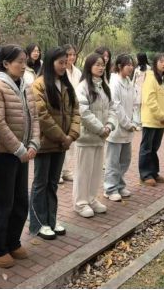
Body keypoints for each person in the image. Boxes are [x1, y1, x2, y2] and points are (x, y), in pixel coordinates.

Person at [0, 45, 40, 268]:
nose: (23, 64)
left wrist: (35, 142)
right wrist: (18, 149)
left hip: (23, 153)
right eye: (19, 60)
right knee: (2, 202)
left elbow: (34, 117)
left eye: (24, 60)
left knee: (19, 201)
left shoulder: (26, 86)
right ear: (6, 63)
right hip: (4, 154)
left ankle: (12, 242)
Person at [30, 47, 80, 239]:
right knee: (40, 184)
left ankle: (51, 219)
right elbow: (43, 116)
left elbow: (76, 111)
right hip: (45, 144)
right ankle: (38, 223)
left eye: (65, 62)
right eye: (60, 62)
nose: (64, 66)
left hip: (62, 144)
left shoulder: (67, 86)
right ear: (50, 63)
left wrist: (72, 135)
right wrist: (63, 137)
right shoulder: (39, 85)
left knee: (53, 184)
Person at [73, 53, 116, 217]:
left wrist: (109, 125)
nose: (100, 67)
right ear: (89, 66)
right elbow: (83, 112)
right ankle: (80, 203)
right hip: (87, 137)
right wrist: (100, 129)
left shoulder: (104, 85)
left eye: (102, 65)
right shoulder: (82, 86)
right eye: (97, 64)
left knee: (96, 171)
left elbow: (112, 108)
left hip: (101, 136)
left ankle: (91, 199)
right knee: (83, 172)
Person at [104, 54, 137, 202]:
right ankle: (110, 189)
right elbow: (116, 106)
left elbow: (134, 104)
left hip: (128, 128)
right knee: (113, 161)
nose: (131, 67)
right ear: (119, 66)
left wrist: (134, 121)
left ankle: (119, 184)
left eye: (132, 64)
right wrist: (127, 123)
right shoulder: (114, 82)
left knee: (125, 159)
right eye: (128, 64)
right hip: (117, 128)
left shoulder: (129, 81)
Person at [139, 53, 164, 186]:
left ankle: (153, 172)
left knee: (154, 148)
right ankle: (145, 174)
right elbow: (150, 100)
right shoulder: (150, 78)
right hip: (151, 120)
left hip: (162, 121)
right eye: (161, 61)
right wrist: (161, 116)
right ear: (155, 63)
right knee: (146, 148)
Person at [59, 43, 82, 183]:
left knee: (72, 141)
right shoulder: (61, 72)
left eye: (73, 54)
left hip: (74, 108)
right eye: (68, 55)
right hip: (62, 110)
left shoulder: (78, 72)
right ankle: (59, 172)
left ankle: (66, 170)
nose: (71, 57)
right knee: (62, 141)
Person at [132, 52, 150, 129]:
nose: (136, 59)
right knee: (136, 107)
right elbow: (133, 80)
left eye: (137, 58)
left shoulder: (148, 69)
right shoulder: (137, 68)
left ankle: (140, 124)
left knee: (141, 107)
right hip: (137, 90)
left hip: (144, 90)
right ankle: (137, 123)